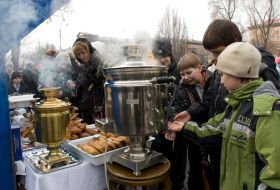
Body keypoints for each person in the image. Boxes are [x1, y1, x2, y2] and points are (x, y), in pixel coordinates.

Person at [174, 19, 280, 190]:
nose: (220, 78)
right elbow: (214, 109)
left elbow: (274, 163)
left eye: (217, 52)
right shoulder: (228, 81)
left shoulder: (263, 95)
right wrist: (189, 118)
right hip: (225, 151)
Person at [167, 53, 212, 190]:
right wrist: (172, 124)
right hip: (194, 133)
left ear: (199, 68)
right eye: (182, 74)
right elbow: (175, 108)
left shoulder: (213, 81)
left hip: (213, 130)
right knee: (195, 167)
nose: (185, 77)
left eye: (188, 72)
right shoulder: (182, 89)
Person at [72, 38, 105, 124]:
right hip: (88, 104)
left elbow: (100, 81)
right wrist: (76, 84)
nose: (81, 56)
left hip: (97, 105)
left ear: (88, 50)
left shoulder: (97, 61)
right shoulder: (84, 64)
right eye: (78, 54)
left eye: (83, 53)